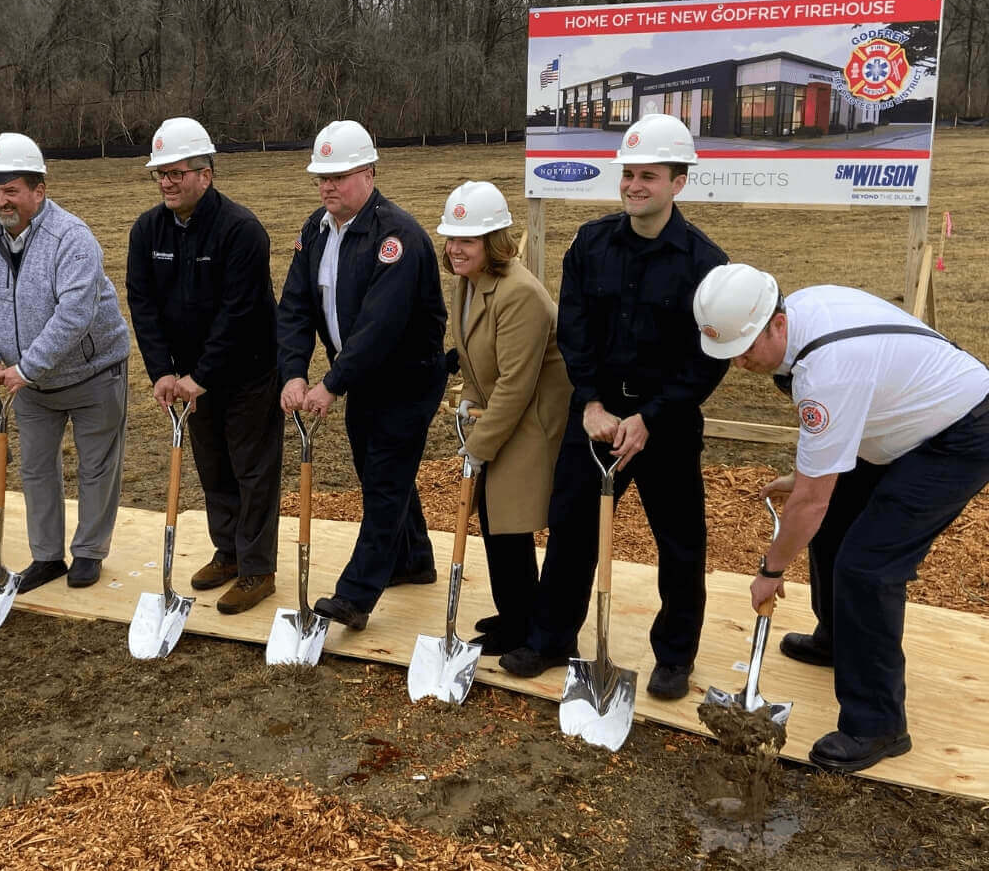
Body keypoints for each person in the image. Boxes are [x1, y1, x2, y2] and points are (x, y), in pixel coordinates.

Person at [693, 262, 989, 774]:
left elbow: (809, 505)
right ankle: (838, 640)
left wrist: (771, 570)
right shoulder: (807, 308)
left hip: (960, 435)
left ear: (777, 323)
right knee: (837, 522)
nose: (739, 363)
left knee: (869, 567)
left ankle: (877, 724)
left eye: (745, 348)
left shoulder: (827, 373)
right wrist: (808, 477)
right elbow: (825, 477)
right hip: (903, 423)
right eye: (729, 352)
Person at [500, 113, 729, 700]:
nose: (633, 186)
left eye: (648, 176)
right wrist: (593, 404)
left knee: (680, 543)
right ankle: (551, 638)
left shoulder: (707, 265)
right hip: (597, 419)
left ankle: (675, 657)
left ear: (679, 182)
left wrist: (651, 418)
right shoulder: (590, 244)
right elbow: (573, 331)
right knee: (573, 528)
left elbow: (708, 360)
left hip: (667, 427)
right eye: (628, 174)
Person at [277, 120, 447, 631]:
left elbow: (380, 327)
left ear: (369, 173)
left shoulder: (397, 237)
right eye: (321, 178)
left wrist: (331, 383)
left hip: (407, 378)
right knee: (381, 475)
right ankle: (413, 559)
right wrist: (292, 373)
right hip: (361, 378)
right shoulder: (316, 230)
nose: (328, 186)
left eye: (340, 176)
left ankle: (355, 595)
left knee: (384, 482)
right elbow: (295, 308)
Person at [0, 133, 131, 591]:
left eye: (11, 190)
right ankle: (46, 556)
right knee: (35, 467)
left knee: (96, 466)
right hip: (26, 382)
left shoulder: (72, 238)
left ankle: (89, 552)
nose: (0, 200)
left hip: (93, 372)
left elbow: (75, 314)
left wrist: (27, 367)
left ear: (39, 190)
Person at [126, 118, 283, 614]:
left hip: (250, 372)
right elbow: (143, 303)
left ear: (205, 174)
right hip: (194, 378)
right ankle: (229, 552)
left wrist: (200, 376)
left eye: (177, 173)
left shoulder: (241, 231)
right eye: (160, 174)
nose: (167, 182)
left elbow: (240, 314)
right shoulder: (147, 229)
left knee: (252, 469)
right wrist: (163, 373)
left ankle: (258, 568)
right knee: (213, 465)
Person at [435, 181, 571, 655]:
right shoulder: (466, 285)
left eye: (467, 240)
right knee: (493, 516)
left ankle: (521, 622)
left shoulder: (520, 295)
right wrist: (471, 395)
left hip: (535, 419)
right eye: (452, 239)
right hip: (505, 412)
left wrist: (477, 446)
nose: (455, 249)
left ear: (493, 242)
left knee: (507, 518)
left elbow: (517, 383)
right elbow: (478, 358)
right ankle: (514, 610)